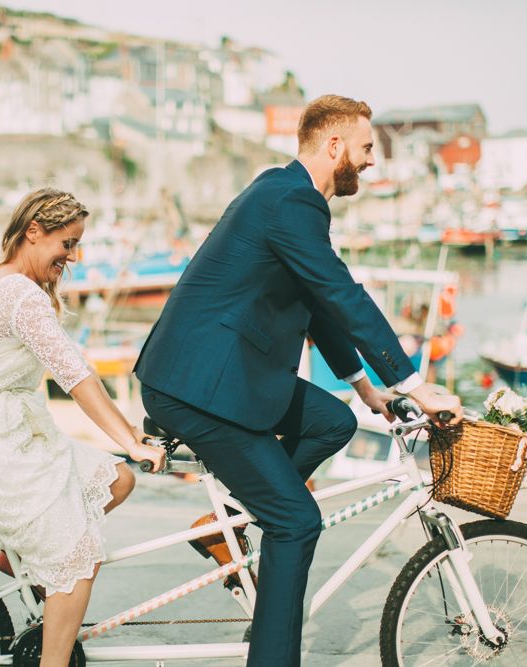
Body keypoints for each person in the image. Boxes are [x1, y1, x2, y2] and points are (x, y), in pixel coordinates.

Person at [135, 95, 462, 667]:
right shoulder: (292, 200)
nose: (371, 161)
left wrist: (364, 389)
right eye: (365, 148)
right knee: (296, 522)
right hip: (200, 385)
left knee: (333, 420)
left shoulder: (283, 192)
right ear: (333, 146)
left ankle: (232, 522)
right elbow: (341, 292)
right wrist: (412, 381)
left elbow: (315, 299)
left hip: (226, 374)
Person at [0, 188, 164, 667]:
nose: (72, 256)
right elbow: (75, 375)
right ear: (34, 232)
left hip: (11, 438)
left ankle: (20, 558)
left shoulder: (10, 282)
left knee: (118, 478)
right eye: (67, 243)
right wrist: (130, 439)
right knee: (78, 552)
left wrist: (129, 446)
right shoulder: (17, 294)